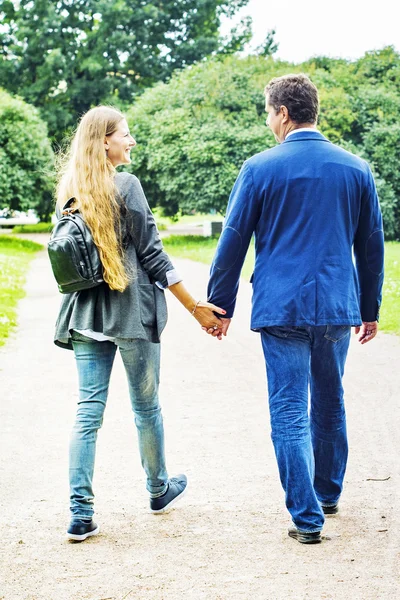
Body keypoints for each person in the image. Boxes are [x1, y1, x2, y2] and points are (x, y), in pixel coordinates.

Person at [206, 74, 384, 544]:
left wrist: (220, 305)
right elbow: (371, 247)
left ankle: (307, 519)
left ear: (283, 112)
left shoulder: (260, 168)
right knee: (330, 400)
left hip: (280, 308)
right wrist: (370, 309)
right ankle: (327, 493)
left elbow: (233, 240)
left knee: (288, 408)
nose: (268, 121)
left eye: (268, 112)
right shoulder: (356, 168)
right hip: (335, 307)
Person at [54, 106, 225, 542]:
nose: (131, 141)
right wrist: (195, 307)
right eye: (125, 135)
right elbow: (153, 255)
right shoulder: (125, 185)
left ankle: (79, 512)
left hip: (86, 315)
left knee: (87, 410)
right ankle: (158, 488)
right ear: (104, 141)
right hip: (130, 314)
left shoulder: (71, 188)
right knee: (145, 407)